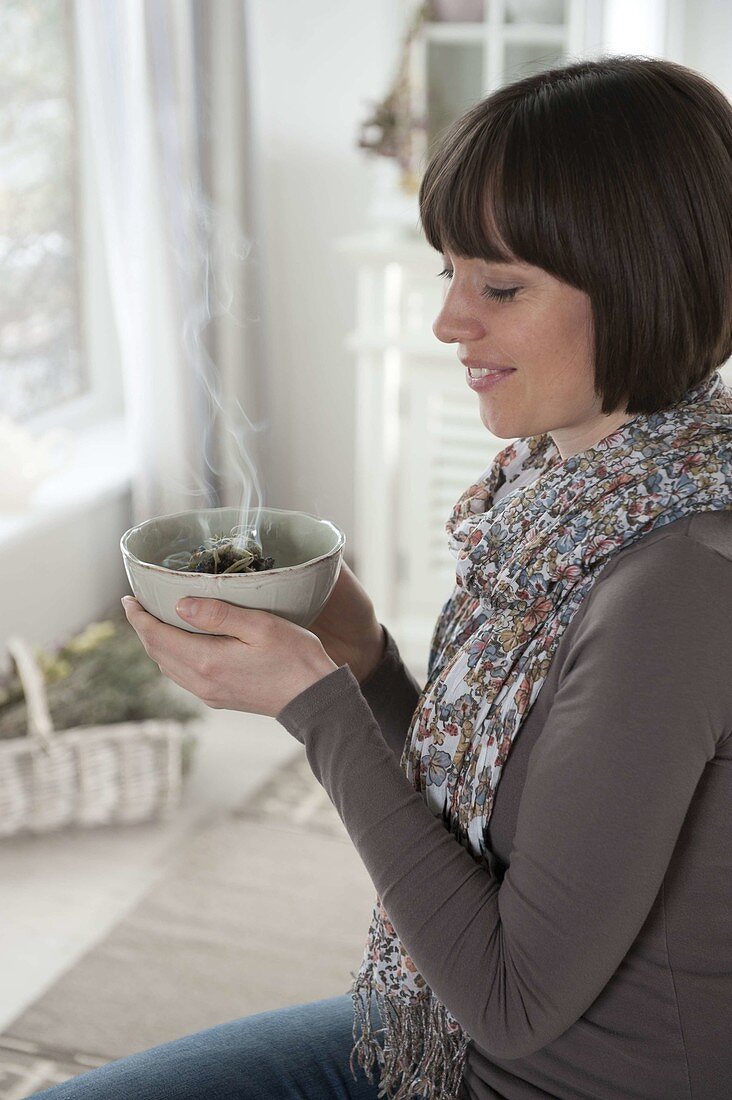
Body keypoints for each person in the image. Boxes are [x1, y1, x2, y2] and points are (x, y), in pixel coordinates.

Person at [31, 53, 732, 1100]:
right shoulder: (560, 492)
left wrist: (315, 707)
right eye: (448, 271)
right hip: (441, 1036)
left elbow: (513, 996)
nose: (450, 321)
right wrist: (364, 662)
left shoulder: (678, 586)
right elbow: (485, 830)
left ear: (644, 279)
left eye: (499, 284)